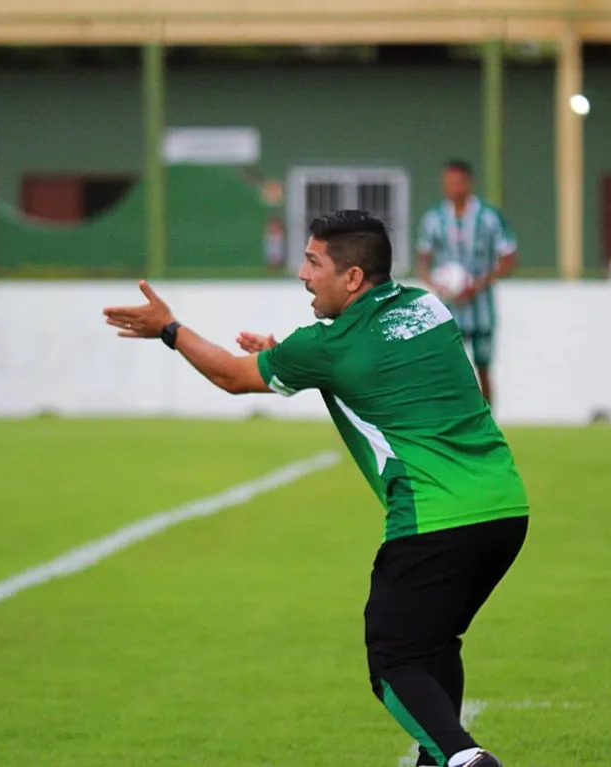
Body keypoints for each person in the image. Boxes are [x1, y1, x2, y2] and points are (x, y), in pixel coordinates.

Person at [103, 210, 529, 767]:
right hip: (505, 509)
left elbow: (234, 376)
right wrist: (289, 353)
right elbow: (384, 368)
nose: (303, 275)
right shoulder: (427, 306)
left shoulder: (326, 345)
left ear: (351, 278)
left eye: (313, 262)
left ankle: (467, 759)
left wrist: (170, 330)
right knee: (433, 644)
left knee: (395, 659)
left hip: (433, 519)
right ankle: (439, 759)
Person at [416, 160, 518, 407]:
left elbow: (509, 258)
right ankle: (453, 423)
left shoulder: (489, 217)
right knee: (449, 369)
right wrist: (437, 283)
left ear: (468, 183)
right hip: (448, 310)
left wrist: (480, 283)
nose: (452, 187)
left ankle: (487, 424)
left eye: (457, 182)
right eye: (447, 182)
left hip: (481, 308)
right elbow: (422, 261)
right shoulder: (434, 219)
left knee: (483, 368)